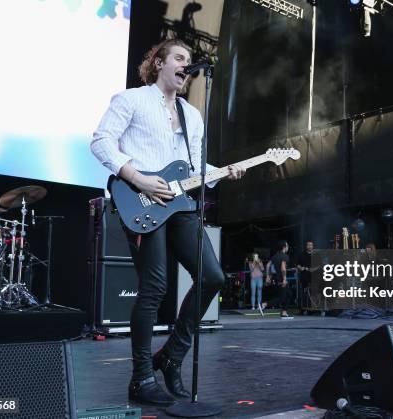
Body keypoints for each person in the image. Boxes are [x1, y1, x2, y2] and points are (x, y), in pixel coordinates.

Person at [91, 39, 246, 406]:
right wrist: (139, 178)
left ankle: (172, 355)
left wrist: (225, 171)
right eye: (180, 58)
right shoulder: (131, 99)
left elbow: (192, 170)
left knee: (212, 276)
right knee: (155, 287)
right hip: (140, 200)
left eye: (189, 61)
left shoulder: (192, 115)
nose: (186, 66)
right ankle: (141, 377)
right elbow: (101, 142)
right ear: (159, 62)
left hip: (180, 205)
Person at [267, 240, 293, 319]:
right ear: (284, 247)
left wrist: (268, 276)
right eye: (287, 245)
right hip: (281, 279)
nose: (288, 247)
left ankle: (284, 312)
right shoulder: (285, 256)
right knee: (281, 297)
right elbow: (283, 268)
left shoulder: (275, 256)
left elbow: (268, 265)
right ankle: (264, 304)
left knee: (288, 294)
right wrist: (285, 279)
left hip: (275, 278)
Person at [296, 240, 316, 314]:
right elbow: (297, 264)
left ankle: (312, 309)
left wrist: (313, 269)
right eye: (308, 245)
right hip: (304, 276)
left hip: (314, 277)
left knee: (313, 292)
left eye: (311, 245)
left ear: (313, 246)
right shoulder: (301, 254)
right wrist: (301, 268)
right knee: (304, 293)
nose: (310, 246)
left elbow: (320, 265)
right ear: (306, 246)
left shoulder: (316, 254)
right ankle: (303, 308)